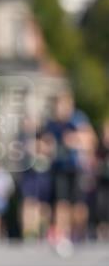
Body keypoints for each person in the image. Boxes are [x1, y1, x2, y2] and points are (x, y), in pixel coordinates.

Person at [44, 91, 96, 254]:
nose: (59, 110)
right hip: (59, 167)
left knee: (78, 205)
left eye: (62, 106)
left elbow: (90, 139)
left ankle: (79, 234)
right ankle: (61, 236)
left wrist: (74, 139)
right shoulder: (52, 123)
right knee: (61, 202)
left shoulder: (77, 119)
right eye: (57, 106)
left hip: (76, 167)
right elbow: (45, 142)